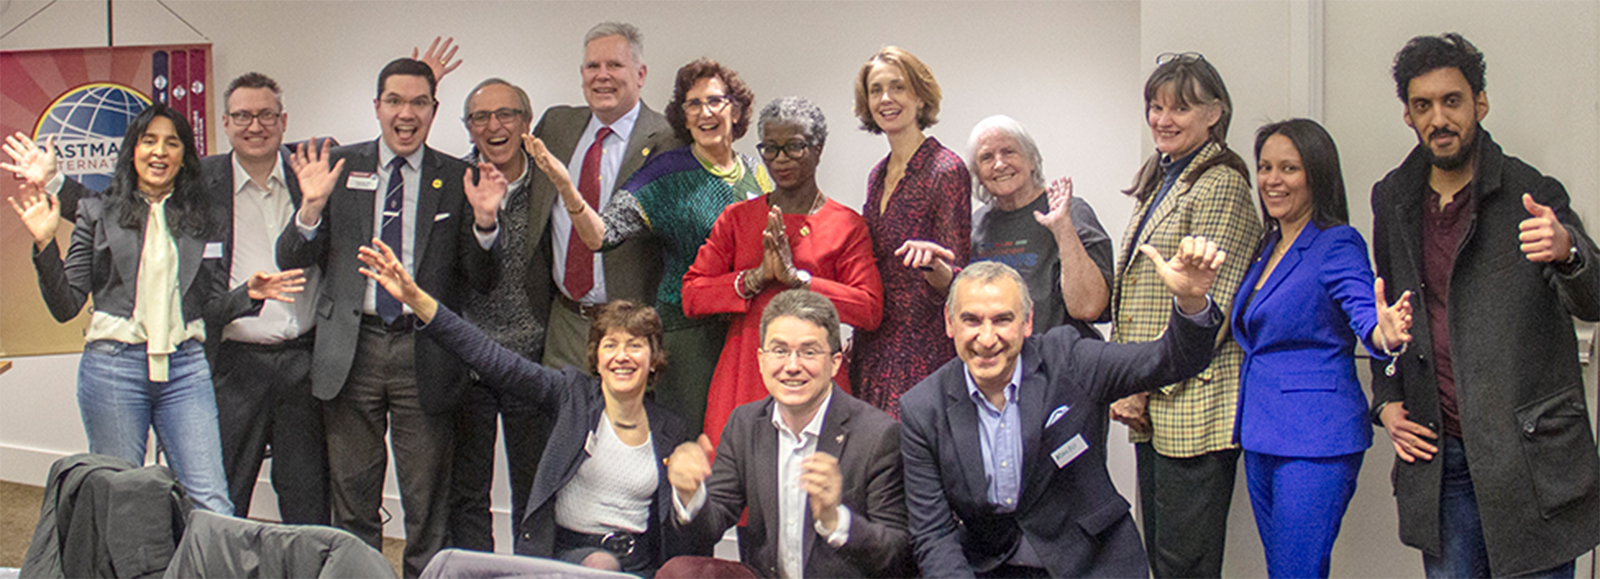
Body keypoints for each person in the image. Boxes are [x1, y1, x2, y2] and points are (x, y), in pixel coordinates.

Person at [1370, 33, 1600, 578]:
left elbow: (1593, 302)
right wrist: (1385, 400)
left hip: (1529, 459)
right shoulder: (1394, 198)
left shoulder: (1530, 190)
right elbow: (1389, 317)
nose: (1439, 118)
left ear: (1480, 103)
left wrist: (1568, 253)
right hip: (1441, 460)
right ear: (1407, 114)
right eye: (1422, 105)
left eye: (1452, 101)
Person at [8, 104, 302, 515]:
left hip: (186, 370)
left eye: (172, 142)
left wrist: (249, 293)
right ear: (133, 150)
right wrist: (44, 245)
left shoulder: (204, 220)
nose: (159, 152)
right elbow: (65, 305)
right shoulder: (100, 212)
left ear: (184, 156)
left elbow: (209, 310)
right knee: (119, 499)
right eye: (149, 141)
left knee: (213, 502)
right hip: (113, 369)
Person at [276, 57, 506, 577]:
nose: (407, 114)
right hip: (349, 351)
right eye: (395, 101)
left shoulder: (458, 176)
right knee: (353, 499)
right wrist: (310, 208)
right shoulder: (338, 166)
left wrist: (487, 223)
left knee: (427, 504)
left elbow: (482, 277)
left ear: (434, 109)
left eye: (419, 103)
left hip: (422, 353)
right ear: (377, 107)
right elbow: (291, 257)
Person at [357, 238, 691, 575]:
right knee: (599, 566)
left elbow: (687, 532)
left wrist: (692, 495)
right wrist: (416, 299)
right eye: (611, 345)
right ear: (597, 358)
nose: (622, 356)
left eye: (635, 345)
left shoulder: (670, 429)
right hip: (574, 559)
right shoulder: (570, 396)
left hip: (640, 564)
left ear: (653, 360)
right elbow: (492, 359)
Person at [900, 244, 1225, 577]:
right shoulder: (923, 408)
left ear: (1027, 322)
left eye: (1002, 320)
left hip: (1095, 563)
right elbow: (934, 535)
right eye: (971, 320)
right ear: (950, 323)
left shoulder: (1068, 361)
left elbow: (1170, 360)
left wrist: (1191, 302)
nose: (986, 338)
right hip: (993, 568)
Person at [529, 57, 772, 441]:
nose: (705, 113)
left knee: (740, 443)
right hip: (688, 338)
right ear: (684, 117)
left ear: (735, 109)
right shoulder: (666, 172)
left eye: (715, 101)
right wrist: (566, 189)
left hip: (744, 331)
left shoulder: (755, 171)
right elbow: (600, 235)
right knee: (689, 448)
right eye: (693, 104)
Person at [1232, 119, 1413, 578]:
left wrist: (1381, 332)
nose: (1273, 180)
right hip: (1261, 432)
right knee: (1284, 571)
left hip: (1315, 436)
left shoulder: (1336, 242)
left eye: (1288, 168)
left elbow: (1361, 307)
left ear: (1317, 174)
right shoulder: (1269, 244)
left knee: (1296, 572)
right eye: (1266, 167)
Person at [1107, 51, 1262, 578]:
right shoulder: (1165, 175)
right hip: (1157, 404)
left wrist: (1143, 384)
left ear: (1215, 112)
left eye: (1179, 109)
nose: (1162, 119)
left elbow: (1214, 310)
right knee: (1161, 560)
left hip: (1192, 405)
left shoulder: (1222, 183)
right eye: (1155, 107)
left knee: (1184, 566)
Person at [665, 290, 914, 579]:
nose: (792, 366)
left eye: (808, 352)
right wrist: (690, 494)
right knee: (680, 572)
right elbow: (711, 524)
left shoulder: (878, 435)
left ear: (834, 362)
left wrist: (835, 520)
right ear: (761, 360)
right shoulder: (745, 423)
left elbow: (899, 554)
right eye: (780, 351)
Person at [683, 96, 883, 452]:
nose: (780, 160)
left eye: (794, 147)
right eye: (771, 149)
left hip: (815, 375)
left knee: (816, 486)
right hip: (746, 367)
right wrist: (755, 278)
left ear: (818, 149)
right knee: (737, 486)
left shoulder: (845, 225)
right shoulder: (737, 219)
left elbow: (868, 308)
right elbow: (692, 294)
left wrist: (799, 280)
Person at [529, 22, 680, 382]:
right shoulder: (556, 125)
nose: (602, 76)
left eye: (614, 65)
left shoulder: (668, 140)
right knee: (563, 430)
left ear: (640, 74)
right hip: (564, 320)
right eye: (592, 67)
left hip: (630, 326)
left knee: (624, 433)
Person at [447, 77, 556, 553]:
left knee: (533, 488)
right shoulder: (452, 182)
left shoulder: (550, 181)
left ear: (526, 123)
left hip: (530, 359)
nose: (494, 126)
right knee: (467, 491)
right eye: (480, 117)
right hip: (468, 360)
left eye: (505, 114)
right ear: (468, 128)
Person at [849, 46, 971, 419]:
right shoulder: (877, 174)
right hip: (873, 343)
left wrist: (935, 266)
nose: (886, 98)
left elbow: (959, 281)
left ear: (919, 97)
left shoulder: (945, 169)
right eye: (876, 89)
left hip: (923, 347)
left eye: (897, 87)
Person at [966, 114, 1113, 339]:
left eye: (1009, 152)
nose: (999, 164)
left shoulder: (1071, 212)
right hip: (998, 364)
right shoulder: (975, 226)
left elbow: (1090, 308)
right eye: (987, 157)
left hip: (1061, 365)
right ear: (977, 173)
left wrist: (1063, 230)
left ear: (1032, 160)